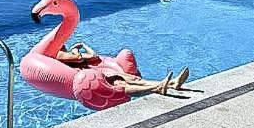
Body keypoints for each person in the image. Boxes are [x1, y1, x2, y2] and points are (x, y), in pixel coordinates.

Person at [56, 42, 191, 96]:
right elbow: (78, 58)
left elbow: (93, 55)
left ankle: (172, 83)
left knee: (133, 79)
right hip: (89, 78)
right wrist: (76, 50)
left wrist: (84, 45)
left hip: (99, 72)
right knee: (120, 84)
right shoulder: (58, 54)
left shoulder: (66, 53)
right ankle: (161, 87)